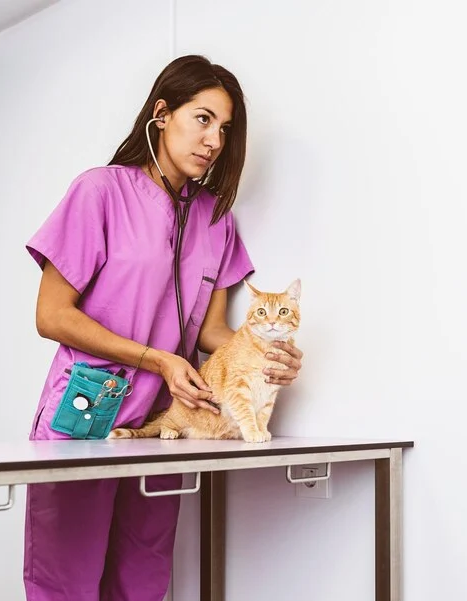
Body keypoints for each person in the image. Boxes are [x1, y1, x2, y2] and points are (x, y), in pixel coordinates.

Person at [22, 55, 303, 600]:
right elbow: (51, 316)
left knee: (145, 576)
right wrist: (157, 359)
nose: (214, 140)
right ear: (161, 113)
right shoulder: (100, 191)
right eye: (202, 118)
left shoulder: (216, 219)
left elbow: (211, 333)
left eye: (225, 129)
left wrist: (270, 354)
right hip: (87, 411)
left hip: (171, 421)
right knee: (67, 579)